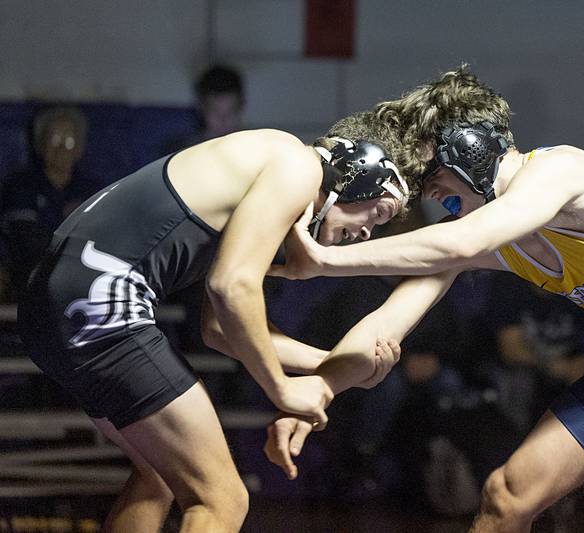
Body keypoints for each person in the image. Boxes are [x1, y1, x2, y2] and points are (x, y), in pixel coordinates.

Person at [269, 67, 584, 533]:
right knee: (506, 497)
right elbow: (390, 319)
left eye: (437, 181)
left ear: (470, 148)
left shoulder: (561, 171)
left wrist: (324, 260)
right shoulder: (484, 232)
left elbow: (459, 244)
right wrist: (320, 388)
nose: (435, 199)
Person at [17, 111, 428, 532]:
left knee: (159, 475)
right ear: (357, 173)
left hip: (55, 302)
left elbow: (219, 329)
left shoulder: (260, 174)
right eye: (377, 213)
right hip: (99, 296)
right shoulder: (296, 165)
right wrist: (281, 387)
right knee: (222, 498)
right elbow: (231, 287)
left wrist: (331, 363)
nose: (367, 234)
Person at [0, 105, 97, 302]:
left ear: (80, 148)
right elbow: (26, 241)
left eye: (69, 140)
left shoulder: (91, 190)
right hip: (30, 283)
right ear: (39, 144)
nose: (61, 147)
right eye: (54, 139)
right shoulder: (20, 186)